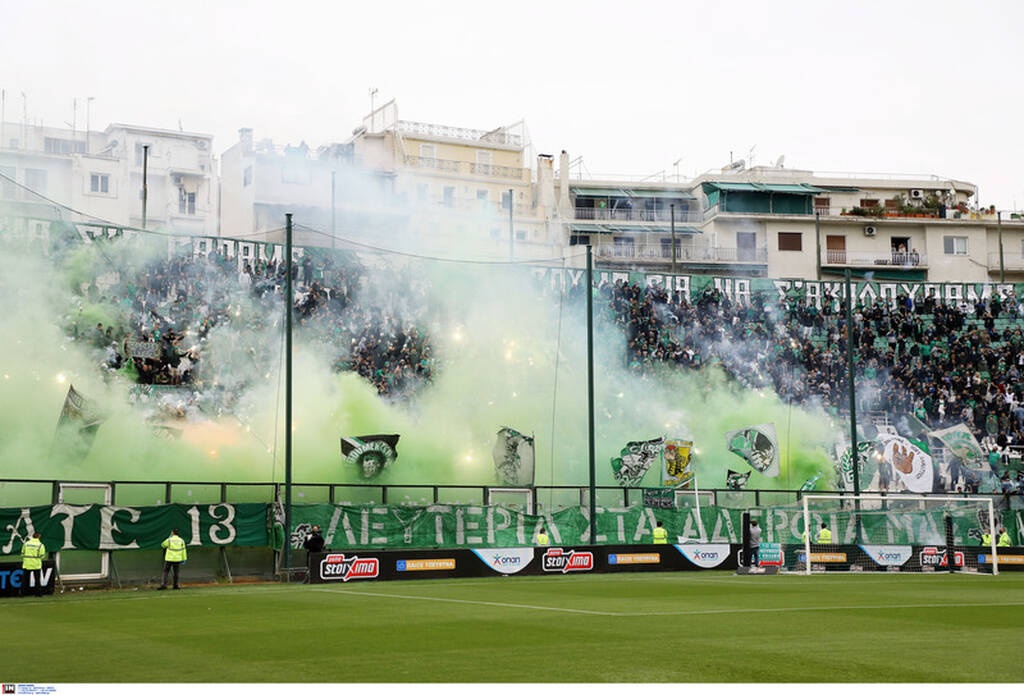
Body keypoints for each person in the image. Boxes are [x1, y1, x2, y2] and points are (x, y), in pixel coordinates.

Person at [20, 532, 47, 597]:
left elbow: (22, 553)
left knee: (25, 580)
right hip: (36, 565)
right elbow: (42, 556)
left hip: (27, 564)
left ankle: (22, 594)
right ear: (39, 537)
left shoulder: (26, 544)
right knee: (37, 580)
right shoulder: (40, 545)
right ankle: (38, 594)